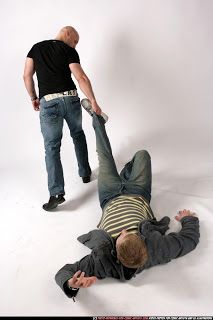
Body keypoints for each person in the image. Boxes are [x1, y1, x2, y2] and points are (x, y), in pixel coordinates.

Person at [55, 99, 200, 301]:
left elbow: (66, 271)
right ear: (144, 245)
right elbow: (189, 241)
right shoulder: (156, 250)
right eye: (130, 234)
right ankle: (125, 175)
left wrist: (71, 285)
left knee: (104, 156)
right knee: (142, 155)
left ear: (116, 251)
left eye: (122, 235)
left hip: (109, 196)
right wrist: (189, 219)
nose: (124, 231)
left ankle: (97, 119)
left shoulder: (102, 262)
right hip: (138, 193)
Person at [23, 26, 103, 211]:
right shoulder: (68, 51)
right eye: (75, 41)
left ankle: (56, 194)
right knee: (78, 134)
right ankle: (85, 173)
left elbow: (27, 75)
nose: (75, 45)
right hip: (71, 99)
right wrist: (93, 101)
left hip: (49, 103)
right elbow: (81, 77)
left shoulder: (36, 48)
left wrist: (34, 98)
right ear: (67, 33)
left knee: (52, 147)